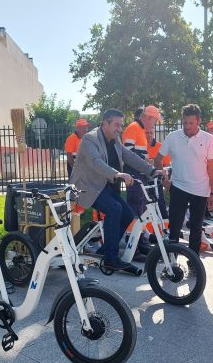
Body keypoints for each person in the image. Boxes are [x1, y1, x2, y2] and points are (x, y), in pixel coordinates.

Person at [71, 109, 164, 271]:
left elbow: (129, 156)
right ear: (105, 123)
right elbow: (95, 162)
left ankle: (105, 250)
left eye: (121, 125)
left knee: (127, 214)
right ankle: (111, 259)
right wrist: (118, 173)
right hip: (87, 188)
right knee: (115, 209)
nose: (119, 129)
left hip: (105, 186)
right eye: (116, 125)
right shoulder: (89, 139)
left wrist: (151, 171)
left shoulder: (114, 140)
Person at [155, 104, 213, 255]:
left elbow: (212, 167)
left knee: (196, 228)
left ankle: (193, 264)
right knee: (174, 228)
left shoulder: (208, 138)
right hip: (178, 187)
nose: (187, 126)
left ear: (198, 121)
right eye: (185, 122)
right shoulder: (172, 137)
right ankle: (172, 263)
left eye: (191, 123)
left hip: (201, 190)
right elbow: (158, 159)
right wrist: (165, 181)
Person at [122, 105, 163, 257]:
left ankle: (141, 244)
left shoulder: (138, 129)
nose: (154, 124)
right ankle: (135, 247)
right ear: (148, 117)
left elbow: (137, 155)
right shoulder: (133, 128)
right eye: (154, 121)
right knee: (136, 211)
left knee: (140, 211)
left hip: (139, 174)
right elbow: (128, 155)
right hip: (135, 175)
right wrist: (147, 167)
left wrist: (148, 167)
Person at [145, 128, 169, 220]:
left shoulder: (160, 146)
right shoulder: (141, 146)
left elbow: (166, 163)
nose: (149, 134)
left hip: (156, 178)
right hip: (144, 177)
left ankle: (164, 219)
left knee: (159, 200)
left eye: (151, 132)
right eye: (147, 132)